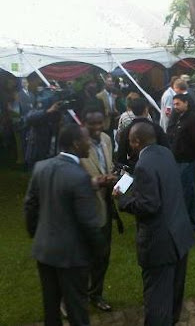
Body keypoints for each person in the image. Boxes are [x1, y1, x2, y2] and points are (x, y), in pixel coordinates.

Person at [114, 123, 195, 326]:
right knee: (173, 294)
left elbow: (148, 205)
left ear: (136, 142)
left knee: (157, 300)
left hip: (159, 243)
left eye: (129, 142)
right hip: (179, 235)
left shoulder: (144, 165)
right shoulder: (166, 153)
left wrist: (122, 200)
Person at [24, 124, 105, 326]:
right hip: (72, 256)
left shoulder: (40, 167)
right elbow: (88, 223)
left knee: (51, 308)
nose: (90, 144)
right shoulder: (80, 177)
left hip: (44, 251)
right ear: (76, 144)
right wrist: (99, 250)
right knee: (77, 310)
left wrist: (37, 233)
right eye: (86, 139)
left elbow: (30, 206)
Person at [80, 107, 120, 312]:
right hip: (85, 209)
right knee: (83, 256)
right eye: (92, 124)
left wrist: (112, 178)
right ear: (83, 123)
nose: (97, 127)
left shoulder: (106, 139)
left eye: (100, 123)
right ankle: (73, 297)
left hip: (105, 204)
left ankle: (95, 294)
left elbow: (108, 165)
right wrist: (98, 181)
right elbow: (71, 178)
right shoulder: (77, 144)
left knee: (103, 255)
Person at [167, 93, 195, 231]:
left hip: (187, 160)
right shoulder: (178, 117)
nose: (175, 107)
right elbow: (170, 133)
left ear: (186, 103)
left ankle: (191, 223)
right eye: (174, 104)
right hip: (178, 159)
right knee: (183, 191)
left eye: (178, 104)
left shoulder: (192, 119)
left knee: (188, 192)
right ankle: (186, 221)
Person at [116, 97, 169, 171]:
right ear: (146, 109)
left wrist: (130, 167)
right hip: (156, 166)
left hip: (135, 167)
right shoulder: (156, 128)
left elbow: (121, 157)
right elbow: (166, 149)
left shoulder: (126, 131)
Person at [96, 75, 120, 144]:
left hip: (112, 121)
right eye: (109, 82)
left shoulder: (113, 95)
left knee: (112, 140)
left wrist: (116, 112)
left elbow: (113, 107)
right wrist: (108, 113)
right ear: (105, 83)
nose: (111, 84)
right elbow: (100, 109)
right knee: (106, 140)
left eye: (112, 83)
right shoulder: (99, 96)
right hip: (104, 122)